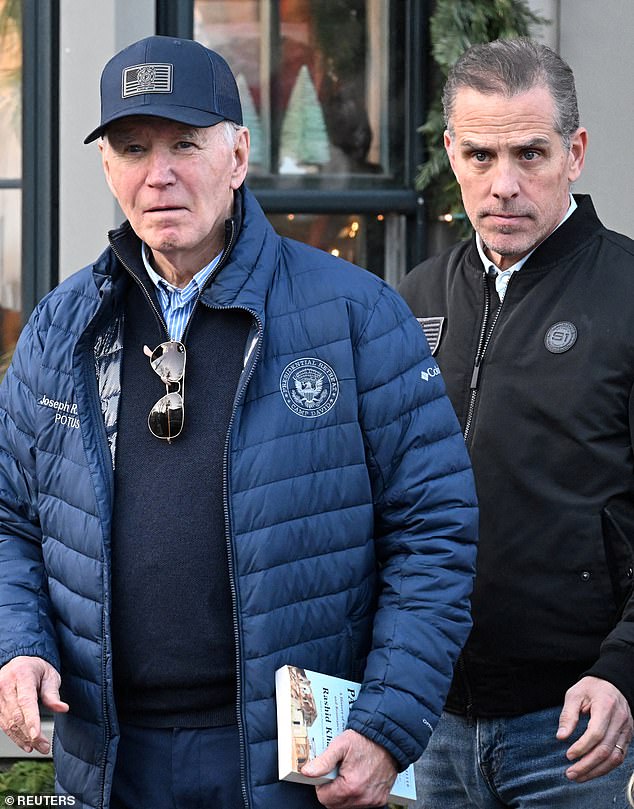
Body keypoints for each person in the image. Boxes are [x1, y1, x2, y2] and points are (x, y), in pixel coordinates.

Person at [0, 35, 478, 809]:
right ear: (107, 166)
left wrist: (390, 720)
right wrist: (18, 646)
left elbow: (434, 527)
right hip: (112, 759)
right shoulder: (62, 328)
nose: (159, 173)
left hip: (289, 763)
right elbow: (10, 518)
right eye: (132, 147)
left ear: (239, 154)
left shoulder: (355, 315)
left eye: (185, 142)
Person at [399, 37, 634, 808]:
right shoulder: (410, 301)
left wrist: (623, 669)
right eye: (480, 155)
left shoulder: (627, 294)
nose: (503, 185)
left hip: (577, 729)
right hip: (427, 725)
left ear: (576, 151)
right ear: (450, 153)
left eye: (530, 154)